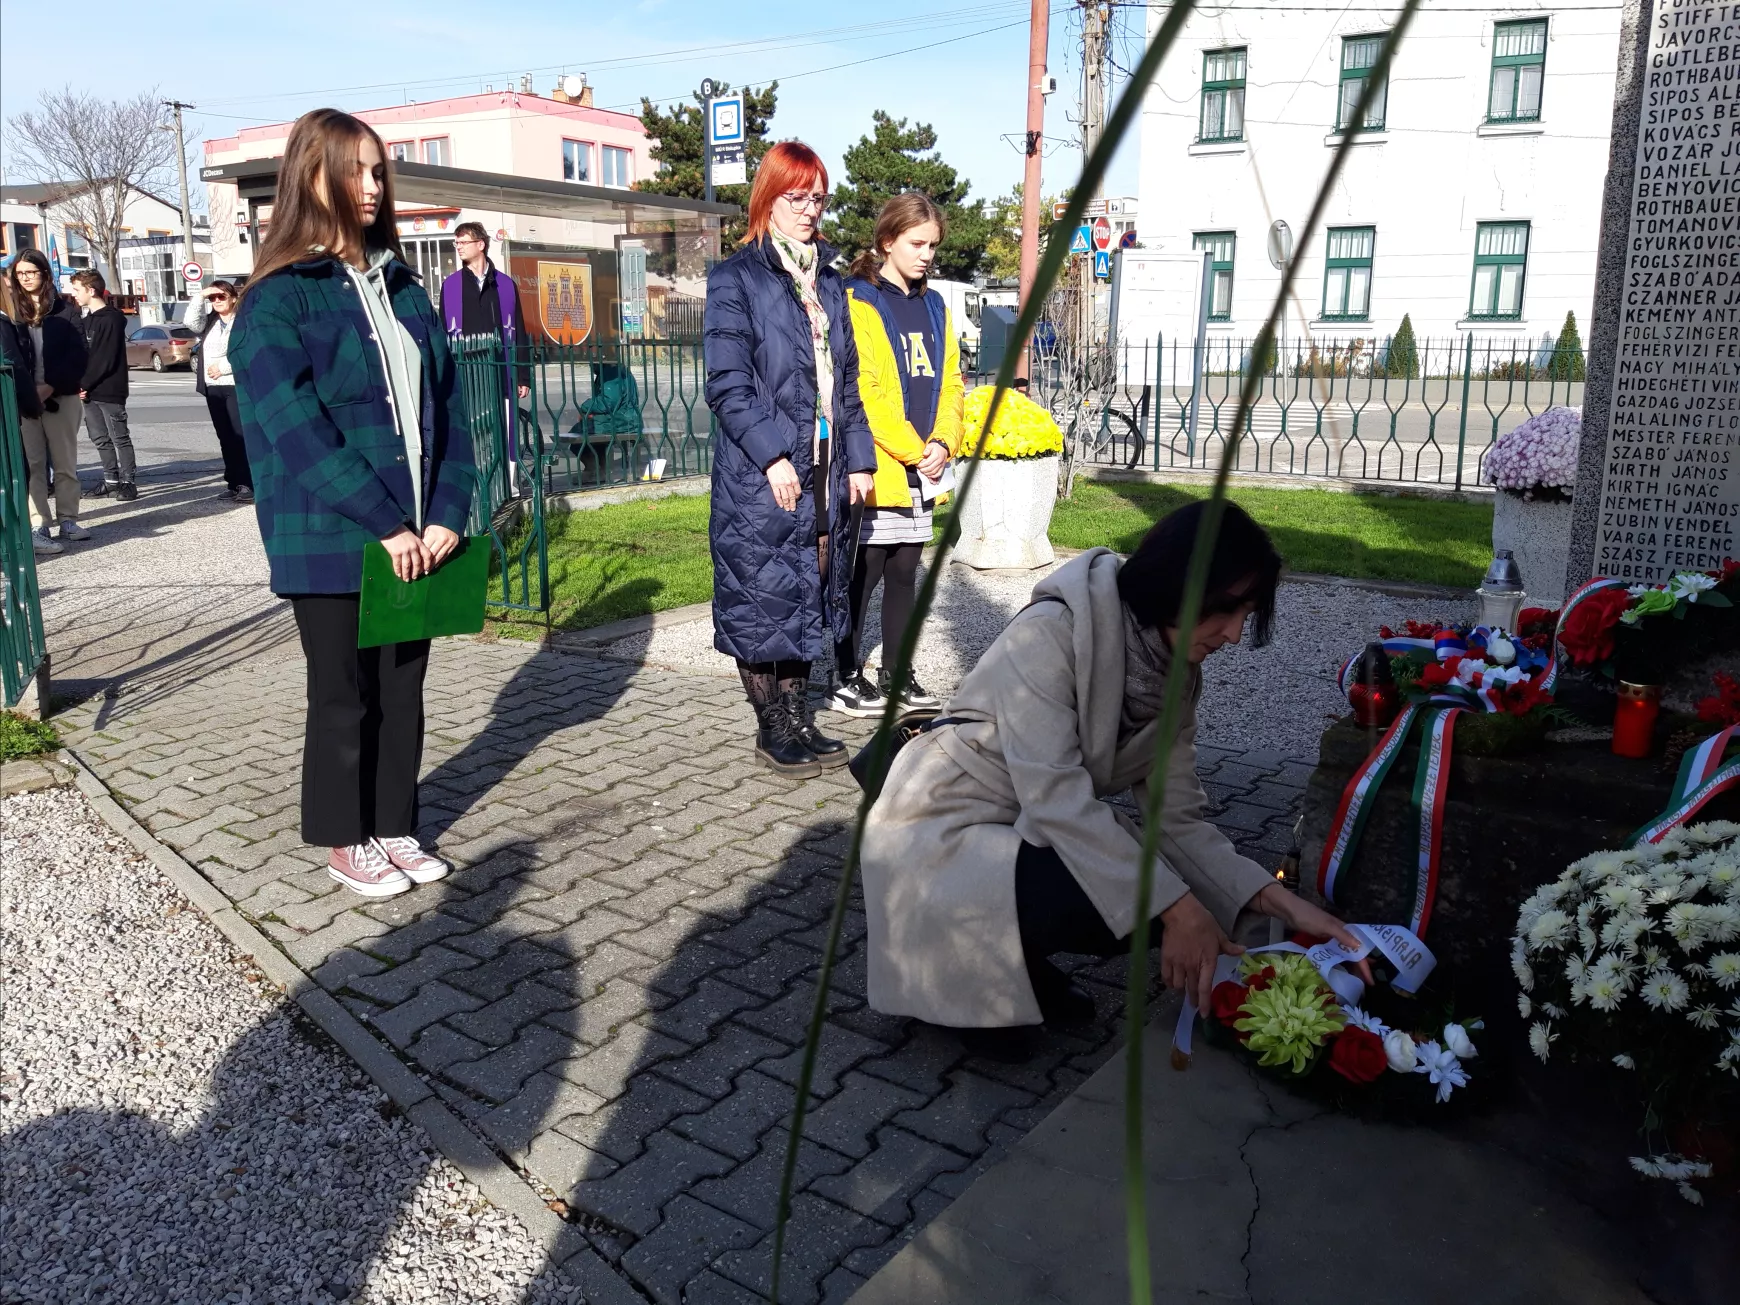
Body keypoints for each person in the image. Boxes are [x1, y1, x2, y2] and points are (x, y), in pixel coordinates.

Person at [860, 502, 1368, 1057]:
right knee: (1141, 894)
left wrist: (1280, 903)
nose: (1234, 633)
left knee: (1165, 886)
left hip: (1022, 825)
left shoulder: (1176, 675)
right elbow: (1058, 800)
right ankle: (956, 971)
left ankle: (1011, 962)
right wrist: (1179, 909)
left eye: (1245, 613)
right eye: (1225, 608)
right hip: (939, 822)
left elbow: (1176, 821)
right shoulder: (1050, 634)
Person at [230, 108, 476, 900]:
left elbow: (449, 409)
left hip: (417, 531)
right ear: (312, 176)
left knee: (403, 685)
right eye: (355, 171)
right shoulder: (278, 300)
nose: (371, 187)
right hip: (332, 535)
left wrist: (444, 514)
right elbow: (296, 431)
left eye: (379, 172)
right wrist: (386, 522)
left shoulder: (403, 286)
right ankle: (346, 837)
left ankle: (393, 821)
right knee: (344, 692)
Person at [703, 141, 877, 777]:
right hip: (762, 470)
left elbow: (848, 380)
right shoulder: (736, 278)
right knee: (763, 592)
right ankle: (771, 723)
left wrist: (859, 460)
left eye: (818, 199)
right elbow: (727, 382)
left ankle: (800, 712)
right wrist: (775, 456)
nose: (809, 210)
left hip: (826, 464)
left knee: (812, 583)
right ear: (768, 200)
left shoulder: (828, 281)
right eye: (795, 198)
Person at [831, 192, 964, 718]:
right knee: (864, 571)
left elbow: (952, 381)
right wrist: (914, 449)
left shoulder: (935, 305)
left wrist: (943, 444)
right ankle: (844, 675)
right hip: (881, 464)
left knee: (907, 569)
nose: (926, 254)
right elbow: (865, 392)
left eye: (933, 245)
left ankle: (896, 673)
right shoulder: (860, 299)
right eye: (916, 243)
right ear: (887, 240)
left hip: (923, 467)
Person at [8, 250, 89, 552]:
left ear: (44, 273)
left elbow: (79, 355)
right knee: (33, 463)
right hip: (25, 398)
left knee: (65, 461)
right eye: (20, 273)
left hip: (62, 395)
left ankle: (68, 518)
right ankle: (38, 522)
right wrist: (29, 390)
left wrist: (51, 385)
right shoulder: (13, 310)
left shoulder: (65, 308)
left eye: (31, 272)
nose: (26, 278)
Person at [439, 222, 531, 403]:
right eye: (456, 243)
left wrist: (523, 376)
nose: (458, 247)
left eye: (463, 242)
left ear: (480, 245)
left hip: (500, 370)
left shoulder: (505, 285)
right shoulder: (450, 286)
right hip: (466, 373)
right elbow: (443, 332)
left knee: (501, 426)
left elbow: (518, 330)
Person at [66, 270, 136, 502]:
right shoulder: (86, 321)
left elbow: (103, 358)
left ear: (91, 290)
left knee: (119, 437)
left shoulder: (112, 319)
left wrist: (82, 384)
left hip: (110, 388)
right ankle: (111, 481)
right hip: (89, 391)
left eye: (77, 289)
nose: (73, 294)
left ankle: (128, 482)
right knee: (99, 437)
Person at [188, 280, 254, 501]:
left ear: (234, 298)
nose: (216, 301)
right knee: (225, 436)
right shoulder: (210, 322)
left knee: (241, 436)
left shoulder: (243, 321)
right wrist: (200, 295)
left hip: (236, 385)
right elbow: (190, 322)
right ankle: (233, 483)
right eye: (212, 298)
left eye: (221, 297)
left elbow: (248, 350)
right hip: (213, 387)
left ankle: (248, 484)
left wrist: (224, 367)